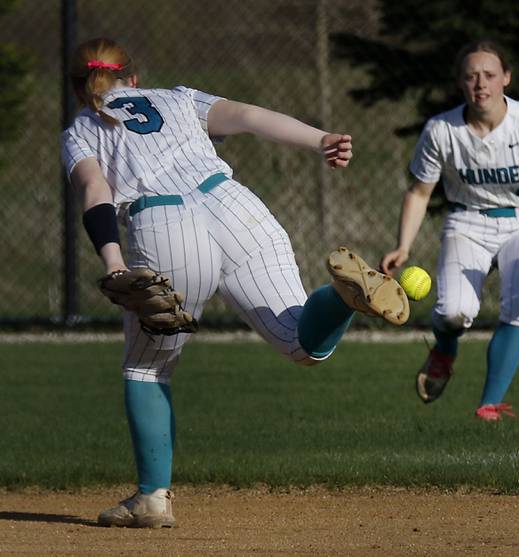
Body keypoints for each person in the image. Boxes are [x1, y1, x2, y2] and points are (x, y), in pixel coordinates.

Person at [61, 37, 408, 528]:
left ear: (79, 90)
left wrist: (115, 265)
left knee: (146, 370)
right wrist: (321, 138)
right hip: (234, 204)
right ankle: (342, 297)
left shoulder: (82, 128)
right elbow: (248, 116)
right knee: (301, 343)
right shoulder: (178, 97)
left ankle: (152, 498)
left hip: (163, 225)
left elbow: (96, 191)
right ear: (134, 78)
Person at [380, 40, 519, 421]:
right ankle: (444, 351)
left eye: (490, 75)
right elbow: (419, 193)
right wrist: (403, 246)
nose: (481, 83)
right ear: (461, 83)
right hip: (467, 221)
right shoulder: (442, 130)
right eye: (471, 76)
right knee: (454, 312)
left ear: (506, 78)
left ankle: (489, 404)